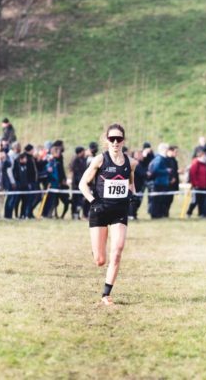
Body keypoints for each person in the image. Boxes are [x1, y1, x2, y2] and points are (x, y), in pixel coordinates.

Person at [79, 123, 137, 306]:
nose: (115, 142)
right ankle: (97, 250)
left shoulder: (131, 163)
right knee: (100, 260)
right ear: (107, 140)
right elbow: (82, 184)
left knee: (118, 250)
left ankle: (106, 294)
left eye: (118, 139)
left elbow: (131, 184)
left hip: (119, 212)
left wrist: (131, 195)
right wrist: (92, 200)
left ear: (123, 141)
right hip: (100, 211)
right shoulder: (100, 160)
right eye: (112, 139)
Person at [187, 149, 206, 217]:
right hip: (197, 186)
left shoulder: (204, 164)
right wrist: (195, 184)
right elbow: (192, 174)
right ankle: (189, 212)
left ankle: (201, 213)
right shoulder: (195, 163)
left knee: (202, 201)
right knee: (195, 201)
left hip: (204, 186)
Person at [69, 146, 88, 219]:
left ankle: (78, 214)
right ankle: (74, 215)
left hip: (81, 183)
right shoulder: (75, 160)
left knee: (81, 201)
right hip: (76, 184)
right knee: (75, 201)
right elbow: (76, 172)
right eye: (83, 151)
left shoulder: (83, 159)